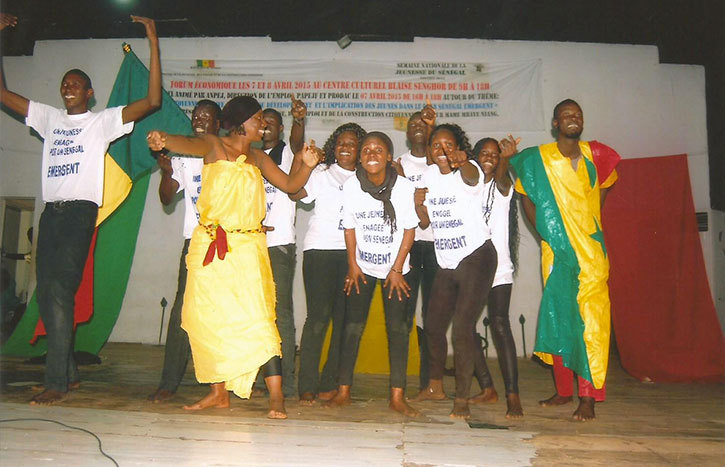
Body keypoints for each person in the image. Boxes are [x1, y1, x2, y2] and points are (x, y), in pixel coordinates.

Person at [0, 15, 161, 405]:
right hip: (51, 214)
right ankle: (68, 373)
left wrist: (153, 38)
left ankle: (56, 380)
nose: (68, 87)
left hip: (78, 214)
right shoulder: (49, 118)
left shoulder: (101, 122)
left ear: (89, 93)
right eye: (64, 83)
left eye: (76, 84)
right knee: (51, 294)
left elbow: (152, 101)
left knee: (58, 292)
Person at [146, 96, 321, 419]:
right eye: (259, 119)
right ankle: (218, 393)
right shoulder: (213, 145)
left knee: (259, 319)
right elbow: (186, 143)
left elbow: (290, 184)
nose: (264, 124)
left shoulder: (257, 158)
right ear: (242, 123)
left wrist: (307, 166)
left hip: (247, 248)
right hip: (210, 244)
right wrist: (163, 139)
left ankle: (277, 396)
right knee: (205, 318)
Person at [509, 99, 620, 421]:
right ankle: (563, 390)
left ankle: (588, 397)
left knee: (591, 321)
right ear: (556, 123)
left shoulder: (596, 155)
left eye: (577, 115)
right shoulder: (537, 159)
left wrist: (586, 224)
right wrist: (546, 234)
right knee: (560, 315)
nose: (573, 119)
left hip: (590, 254)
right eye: (566, 116)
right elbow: (526, 199)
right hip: (556, 252)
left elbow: (603, 192)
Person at [325, 131, 419, 416]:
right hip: (363, 267)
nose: (372, 154)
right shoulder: (352, 186)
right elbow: (350, 227)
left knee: (398, 330)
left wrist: (397, 269)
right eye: (366, 150)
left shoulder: (403, 187)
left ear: (389, 156)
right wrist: (353, 266)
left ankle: (397, 396)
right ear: (360, 157)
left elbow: (409, 230)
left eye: (379, 150)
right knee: (352, 327)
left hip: (396, 269)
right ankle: (343, 391)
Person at [413, 118, 498, 419]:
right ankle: (435, 386)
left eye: (448, 145)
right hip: (446, 260)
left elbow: (474, 178)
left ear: (460, 149)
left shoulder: (468, 169)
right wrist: (419, 204)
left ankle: (461, 399)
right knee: (434, 325)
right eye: (436, 145)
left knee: (462, 329)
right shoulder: (428, 176)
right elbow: (425, 223)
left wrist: (464, 162)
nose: (441, 150)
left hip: (476, 257)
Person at [147, 99, 221, 403]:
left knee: (224, 312)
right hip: (195, 241)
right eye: (196, 116)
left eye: (206, 117)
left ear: (218, 125)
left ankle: (226, 380)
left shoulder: (226, 153)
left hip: (229, 244)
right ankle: (169, 382)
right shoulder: (181, 157)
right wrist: (166, 172)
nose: (199, 120)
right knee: (181, 311)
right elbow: (167, 199)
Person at [292, 123, 366, 405]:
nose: (345, 147)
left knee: (344, 322)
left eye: (352, 143)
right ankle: (307, 384)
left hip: (353, 257)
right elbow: (295, 193)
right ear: (334, 147)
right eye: (341, 143)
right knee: (317, 319)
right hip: (320, 251)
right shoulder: (322, 173)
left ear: (360, 149)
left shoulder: (367, 177)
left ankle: (329, 381)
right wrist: (305, 166)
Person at [252, 96, 306, 399]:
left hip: (278, 245)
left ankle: (286, 381)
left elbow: (300, 146)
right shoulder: (247, 155)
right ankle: (262, 377)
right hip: (249, 244)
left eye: (271, 123)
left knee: (280, 313)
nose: (266, 127)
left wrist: (299, 122)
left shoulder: (287, 155)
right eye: (261, 123)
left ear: (281, 128)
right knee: (256, 314)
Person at [469, 136, 524, 419]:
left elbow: (501, 174)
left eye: (494, 153)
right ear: (474, 156)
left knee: (500, 325)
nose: (489, 157)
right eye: (484, 153)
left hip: (499, 267)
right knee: (464, 328)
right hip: (470, 268)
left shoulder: (503, 185)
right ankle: (488, 388)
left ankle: (513, 395)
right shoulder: (465, 184)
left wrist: (505, 158)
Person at [395, 111, 439, 391]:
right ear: (407, 133)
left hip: (438, 247)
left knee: (434, 316)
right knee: (403, 317)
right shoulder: (399, 163)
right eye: (413, 126)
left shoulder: (440, 162)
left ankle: (430, 383)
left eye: (422, 125)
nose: (418, 129)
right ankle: (399, 385)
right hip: (408, 246)